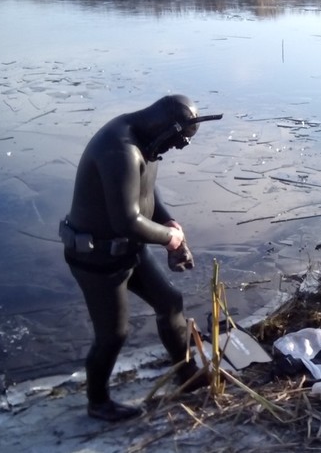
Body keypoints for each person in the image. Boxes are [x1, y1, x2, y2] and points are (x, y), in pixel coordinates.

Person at [59, 94, 222, 421]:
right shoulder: (119, 149)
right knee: (113, 334)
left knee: (170, 302)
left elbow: (146, 189)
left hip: (129, 249)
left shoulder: (147, 140)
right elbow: (127, 220)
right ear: (165, 128)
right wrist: (170, 238)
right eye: (177, 141)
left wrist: (168, 222)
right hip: (97, 259)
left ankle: (185, 373)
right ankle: (98, 402)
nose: (177, 149)